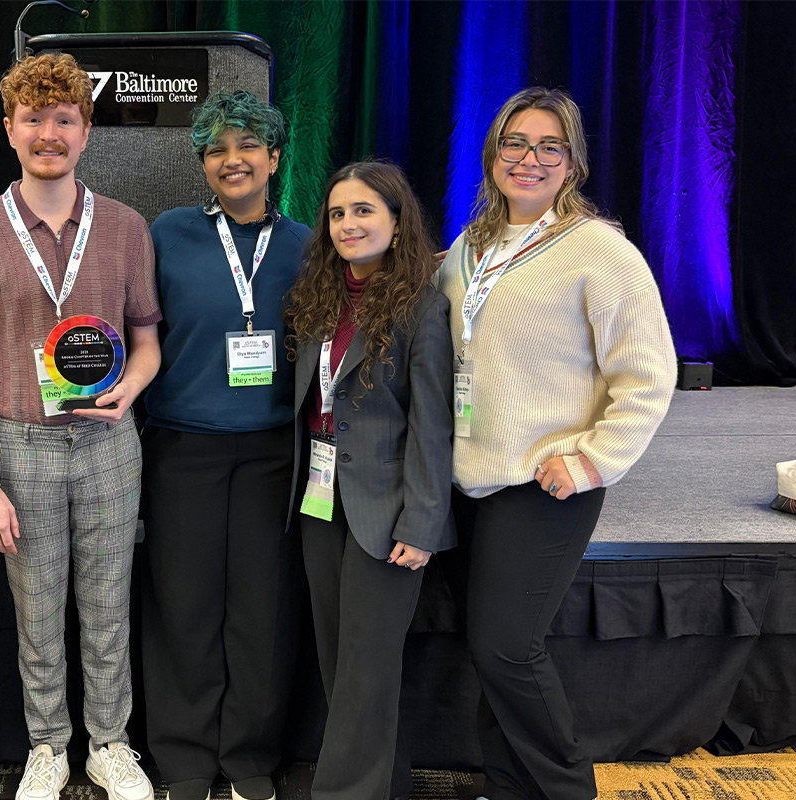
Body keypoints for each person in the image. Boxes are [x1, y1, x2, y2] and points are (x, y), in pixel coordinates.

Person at [435, 87, 676, 800]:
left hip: (545, 481)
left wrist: (594, 460)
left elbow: (648, 374)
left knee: (507, 647)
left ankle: (568, 790)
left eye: (549, 147)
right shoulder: (471, 245)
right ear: (493, 154)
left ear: (573, 163)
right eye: (515, 142)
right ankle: (509, 788)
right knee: (488, 648)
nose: (529, 159)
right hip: (468, 477)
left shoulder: (601, 251)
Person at [0, 53, 160, 800]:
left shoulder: (125, 227)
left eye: (64, 119)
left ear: (86, 131)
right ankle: (47, 745)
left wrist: (130, 389)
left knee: (107, 606)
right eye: (33, 118)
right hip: (21, 448)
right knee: (36, 612)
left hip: (108, 444)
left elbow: (148, 341)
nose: (48, 134)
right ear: (9, 130)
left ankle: (109, 743)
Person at [140, 90, 311, 800]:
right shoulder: (168, 233)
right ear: (202, 163)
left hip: (273, 450)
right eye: (216, 149)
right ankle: (183, 758)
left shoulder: (307, 244)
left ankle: (248, 758)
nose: (232, 160)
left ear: (274, 157)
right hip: (183, 446)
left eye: (247, 146)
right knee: (183, 605)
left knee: (260, 610)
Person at [284, 160, 455, 800]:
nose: (348, 224)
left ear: (397, 221)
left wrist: (423, 522)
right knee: (339, 659)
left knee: (366, 665)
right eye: (337, 213)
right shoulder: (319, 298)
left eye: (363, 211)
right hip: (320, 499)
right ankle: (388, 784)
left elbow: (432, 424)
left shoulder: (422, 307)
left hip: (387, 508)